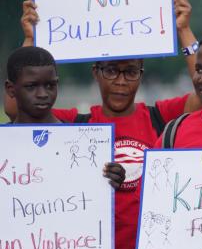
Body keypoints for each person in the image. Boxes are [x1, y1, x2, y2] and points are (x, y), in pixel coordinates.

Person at [4, 0, 202, 249]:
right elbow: (16, 109)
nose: (121, 81)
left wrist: (184, 31)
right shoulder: (76, 124)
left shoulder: (159, 116)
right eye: (111, 71)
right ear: (95, 72)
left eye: (130, 72)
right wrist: (30, 40)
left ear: (141, 74)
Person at [4, 46, 125, 189]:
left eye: (50, 85)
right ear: (11, 89)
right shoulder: (4, 142)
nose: (43, 94)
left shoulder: (82, 142)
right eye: (31, 86)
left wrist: (110, 179)